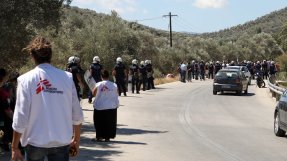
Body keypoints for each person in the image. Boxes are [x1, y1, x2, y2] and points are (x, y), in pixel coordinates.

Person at [11, 36, 84, 161]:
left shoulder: (25, 80)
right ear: (50, 56)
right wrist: (76, 140)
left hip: (34, 143)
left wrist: (14, 147)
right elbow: (77, 114)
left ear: (32, 56)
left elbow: (20, 117)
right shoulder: (66, 78)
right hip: (61, 143)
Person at [92, 70, 119, 142]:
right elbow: (117, 93)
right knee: (109, 122)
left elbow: (93, 94)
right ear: (108, 76)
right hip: (111, 107)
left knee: (99, 122)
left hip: (99, 106)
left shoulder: (98, 84)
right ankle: (107, 137)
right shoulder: (114, 85)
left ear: (101, 76)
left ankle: (99, 137)